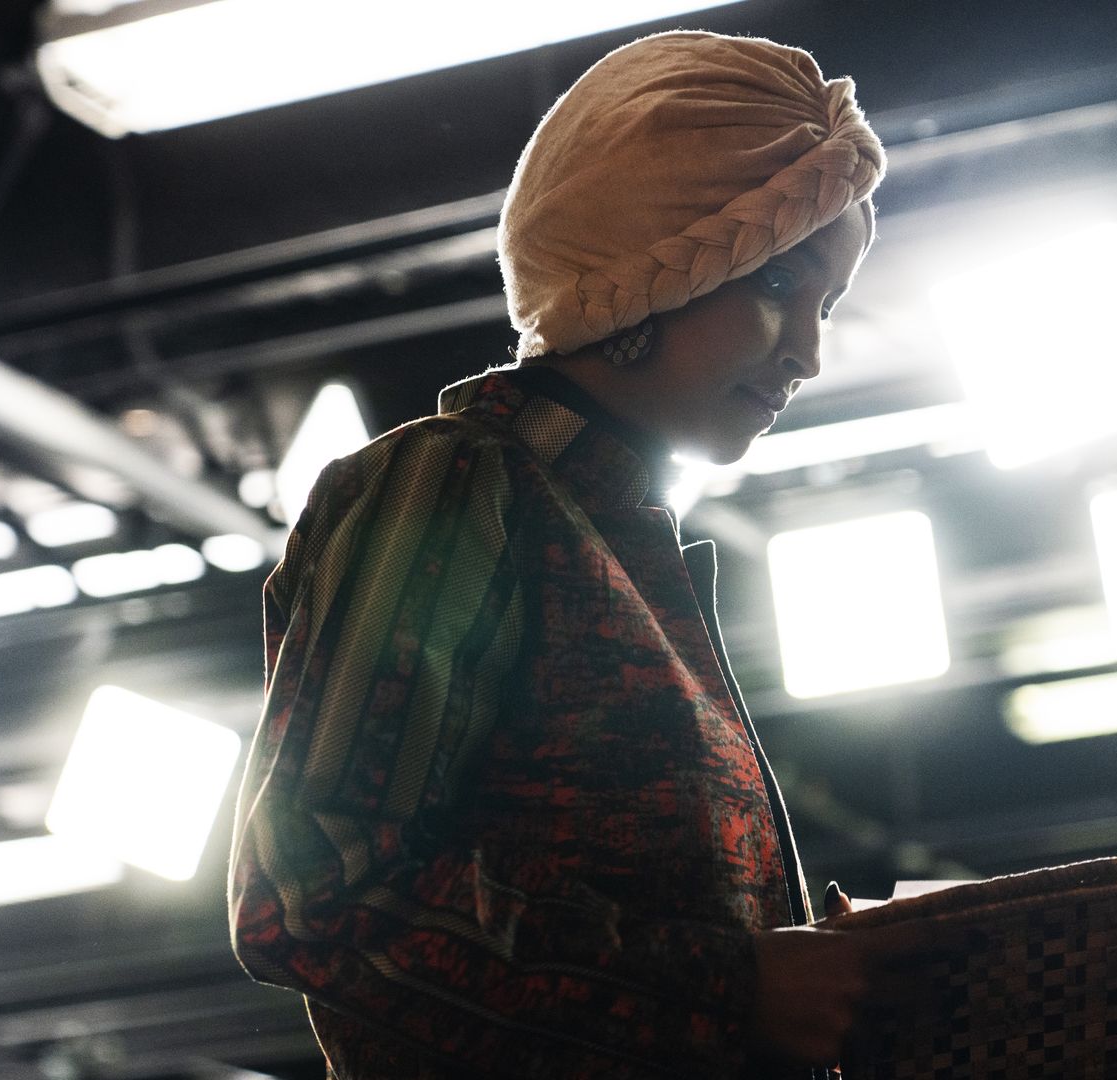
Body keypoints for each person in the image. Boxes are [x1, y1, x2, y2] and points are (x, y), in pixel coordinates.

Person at [229, 30, 928, 1079]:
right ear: (646, 261)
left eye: (825, 305)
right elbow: (318, 893)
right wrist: (735, 988)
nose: (811, 352)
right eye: (781, 281)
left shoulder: (617, 543)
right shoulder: (453, 486)